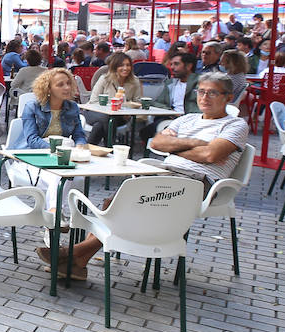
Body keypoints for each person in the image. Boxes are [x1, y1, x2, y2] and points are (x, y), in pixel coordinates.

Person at [45, 72, 248, 279]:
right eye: (201, 91)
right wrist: (196, 143)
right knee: (112, 202)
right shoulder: (187, 119)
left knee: (127, 205)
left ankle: (74, 255)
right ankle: (78, 261)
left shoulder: (234, 125)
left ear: (228, 97)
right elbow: (157, 143)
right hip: (164, 173)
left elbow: (211, 154)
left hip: (196, 182)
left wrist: (177, 147)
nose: (204, 98)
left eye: (212, 93)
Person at [9, 68, 87, 149]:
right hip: (32, 152)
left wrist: (80, 145)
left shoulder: (73, 107)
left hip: (60, 153)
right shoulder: (32, 107)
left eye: (69, 83)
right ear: (48, 89)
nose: (67, 88)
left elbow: (79, 135)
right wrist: (56, 149)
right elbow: (32, 140)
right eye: (60, 85)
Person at [85, 53, 142, 145]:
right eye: (121, 65)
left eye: (128, 65)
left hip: (120, 116)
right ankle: (110, 148)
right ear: (114, 67)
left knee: (99, 126)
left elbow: (137, 102)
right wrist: (112, 107)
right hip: (95, 112)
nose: (125, 68)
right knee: (107, 118)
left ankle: (88, 149)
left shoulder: (135, 81)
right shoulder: (105, 79)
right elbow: (93, 101)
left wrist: (127, 109)